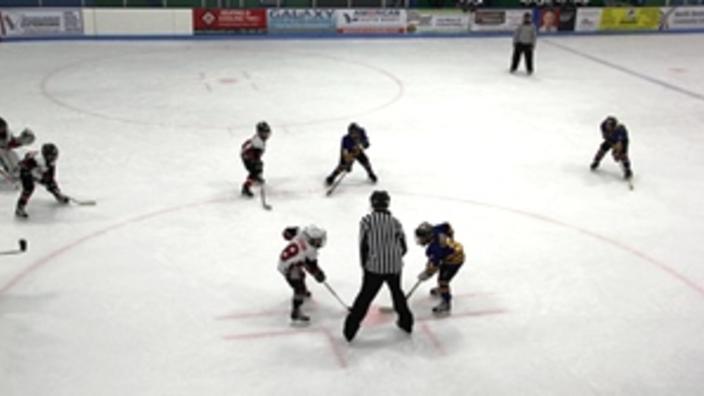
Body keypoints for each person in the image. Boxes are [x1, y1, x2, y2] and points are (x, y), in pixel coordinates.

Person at [343, 191, 413, 342]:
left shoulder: (366, 221)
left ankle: (350, 330)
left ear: (372, 203)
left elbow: (363, 246)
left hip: (374, 267)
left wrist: (365, 266)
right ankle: (407, 323)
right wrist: (394, 258)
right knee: (397, 293)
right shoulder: (395, 222)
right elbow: (404, 247)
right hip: (395, 265)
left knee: (365, 297)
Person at [277, 225, 327, 324]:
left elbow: (287, 233)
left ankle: (301, 294)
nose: (319, 243)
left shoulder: (300, 235)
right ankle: (296, 312)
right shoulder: (310, 250)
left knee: (300, 275)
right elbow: (312, 266)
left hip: (286, 263)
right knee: (299, 288)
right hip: (289, 268)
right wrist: (318, 274)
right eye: (317, 241)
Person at [415, 222, 465, 315]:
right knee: (442, 274)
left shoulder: (435, 249)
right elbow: (447, 225)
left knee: (443, 280)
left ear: (428, 236)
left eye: (422, 238)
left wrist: (427, 273)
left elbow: (434, 266)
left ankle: (446, 303)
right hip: (451, 254)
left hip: (455, 261)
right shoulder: (436, 230)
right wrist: (450, 237)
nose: (420, 240)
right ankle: (441, 289)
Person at [15, 143, 69, 219]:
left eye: (54, 155)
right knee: (29, 188)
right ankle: (20, 207)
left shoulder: (50, 162)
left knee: (50, 182)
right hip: (26, 172)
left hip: (36, 171)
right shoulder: (35, 160)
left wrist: (53, 187)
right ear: (45, 155)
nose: (53, 157)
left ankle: (57, 194)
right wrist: (32, 175)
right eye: (51, 155)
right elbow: (23, 165)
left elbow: (50, 177)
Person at [325, 123, 377, 187]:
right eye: (352, 134)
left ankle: (370, 174)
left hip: (358, 149)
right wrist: (348, 163)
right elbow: (344, 153)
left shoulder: (362, 132)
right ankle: (332, 177)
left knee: (365, 161)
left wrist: (363, 145)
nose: (354, 135)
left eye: (356, 133)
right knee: (342, 165)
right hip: (348, 151)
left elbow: (366, 142)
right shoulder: (345, 140)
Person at [240, 121, 271, 197]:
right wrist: (254, 162)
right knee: (255, 170)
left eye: (267, 132)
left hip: (248, 156)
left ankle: (257, 177)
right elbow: (249, 150)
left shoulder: (259, 139)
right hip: (247, 157)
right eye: (264, 133)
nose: (266, 134)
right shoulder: (258, 142)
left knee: (259, 166)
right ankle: (246, 187)